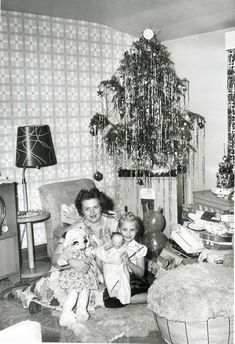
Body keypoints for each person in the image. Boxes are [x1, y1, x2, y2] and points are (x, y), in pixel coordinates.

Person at [21, 187, 118, 322]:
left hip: (102, 272)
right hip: (72, 269)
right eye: (87, 209)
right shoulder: (73, 230)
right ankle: (39, 299)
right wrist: (72, 262)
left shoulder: (114, 224)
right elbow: (55, 259)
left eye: (95, 207)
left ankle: (70, 306)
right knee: (53, 282)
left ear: (101, 206)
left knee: (110, 292)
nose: (92, 212)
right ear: (81, 211)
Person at [103, 212, 149, 308]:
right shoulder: (115, 244)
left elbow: (140, 273)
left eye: (132, 230)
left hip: (134, 278)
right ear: (119, 230)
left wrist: (129, 263)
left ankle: (152, 297)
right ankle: (124, 298)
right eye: (124, 229)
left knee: (128, 296)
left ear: (137, 230)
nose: (128, 233)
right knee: (109, 300)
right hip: (119, 277)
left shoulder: (139, 248)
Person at [95, 232, 131, 305]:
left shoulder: (123, 249)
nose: (117, 244)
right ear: (111, 241)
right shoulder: (109, 248)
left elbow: (123, 257)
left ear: (123, 242)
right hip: (110, 270)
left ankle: (121, 296)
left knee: (123, 282)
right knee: (111, 280)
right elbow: (102, 254)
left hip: (120, 269)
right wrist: (107, 249)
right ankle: (113, 293)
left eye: (119, 243)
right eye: (115, 242)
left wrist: (122, 257)